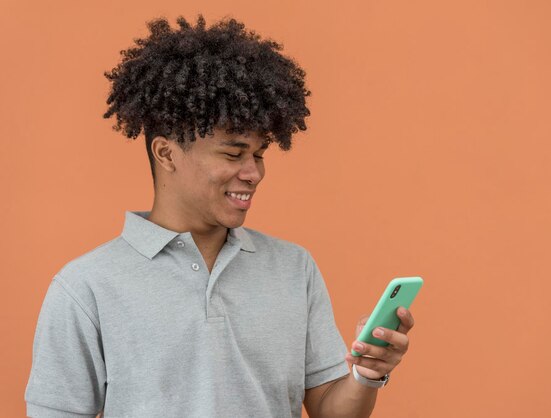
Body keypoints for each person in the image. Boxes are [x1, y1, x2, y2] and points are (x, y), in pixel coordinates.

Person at [24, 15, 415, 417]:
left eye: (259, 154)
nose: (254, 172)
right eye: (233, 154)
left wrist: (367, 375)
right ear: (166, 153)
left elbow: (330, 409)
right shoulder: (85, 287)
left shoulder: (294, 269)